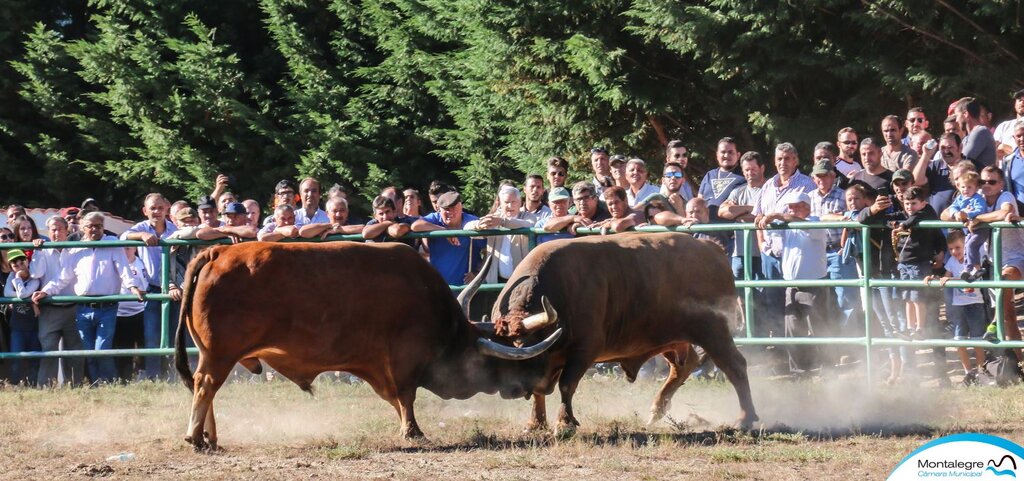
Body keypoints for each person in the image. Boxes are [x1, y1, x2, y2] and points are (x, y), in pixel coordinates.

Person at [31, 212, 146, 384]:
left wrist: (132, 286)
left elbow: (123, 268)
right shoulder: (76, 248)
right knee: (87, 351)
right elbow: (64, 276)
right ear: (83, 228)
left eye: (98, 226)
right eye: (90, 226)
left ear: (103, 227)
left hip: (106, 306)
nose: (94, 229)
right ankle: (95, 383)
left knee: (102, 349)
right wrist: (46, 291)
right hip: (83, 307)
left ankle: (110, 383)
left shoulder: (112, 244)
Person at [761, 192, 830, 374]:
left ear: (807, 207)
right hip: (792, 284)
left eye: (796, 206)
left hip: (814, 284)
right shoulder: (788, 226)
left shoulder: (815, 222)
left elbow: (804, 226)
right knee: (792, 328)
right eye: (790, 206)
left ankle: (826, 366)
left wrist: (775, 216)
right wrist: (763, 220)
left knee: (818, 327)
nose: (791, 210)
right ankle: (799, 369)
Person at [753, 143, 817, 337]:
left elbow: (812, 216)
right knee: (773, 301)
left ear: (795, 160)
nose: (783, 162)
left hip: (796, 253)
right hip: (771, 253)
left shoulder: (807, 184)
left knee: (799, 303)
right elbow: (758, 216)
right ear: (774, 161)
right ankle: (782, 349)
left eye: (787, 158)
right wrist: (762, 244)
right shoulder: (767, 186)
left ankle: (805, 350)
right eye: (779, 158)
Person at [120, 193, 177, 380]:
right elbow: (123, 237)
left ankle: (174, 375)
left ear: (166, 209)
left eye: (160, 208)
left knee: (174, 334)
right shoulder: (141, 228)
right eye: (153, 208)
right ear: (145, 211)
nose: (157, 212)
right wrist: (142, 235)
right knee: (151, 335)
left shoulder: (174, 229)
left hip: (174, 289)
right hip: (152, 288)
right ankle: (154, 377)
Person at [27, 217, 85, 386]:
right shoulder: (43, 250)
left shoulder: (75, 250)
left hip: (73, 307)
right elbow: (35, 274)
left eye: (60, 229)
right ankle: (45, 387)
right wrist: (37, 250)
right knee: (48, 350)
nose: (56, 233)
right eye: (52, 229)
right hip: (49, 308)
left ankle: (76, 386)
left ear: (67, 230)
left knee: (75, 351)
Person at [924, 230, 987, 385]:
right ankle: (968, 373)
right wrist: (935, 278)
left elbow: (976, 277)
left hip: (975, 305)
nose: (954, 252)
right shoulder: (951, 262)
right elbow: (946, 277)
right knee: (959, 342)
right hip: (958, 306)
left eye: (958, 247)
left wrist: (956, 280)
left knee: (977, 341)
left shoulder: (973, 260)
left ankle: (981, 372)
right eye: (951, 249)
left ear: (966, 245)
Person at [809, 160, 858, 334]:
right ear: (813, 179)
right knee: (820, 298)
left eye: (825, 175)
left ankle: (849, 342)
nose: (821, 179)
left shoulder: (843, 195)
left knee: (845, 298)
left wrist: (844, 245)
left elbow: (851, 217)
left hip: (838, 250)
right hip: (817, 252)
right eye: (818, 176)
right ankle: (828, 342)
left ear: (833, 176)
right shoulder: (809, 197)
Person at [892, 186, 945, 339]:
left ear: (923, 203)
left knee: (918, 297)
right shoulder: (907, 214)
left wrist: (903, 225)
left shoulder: (926, 212)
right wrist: (896, 224)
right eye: (907, 203)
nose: (910, 207)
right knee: (908, 298)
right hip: (905, 261)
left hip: (919, 262)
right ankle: (910, 328)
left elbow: (918, 217)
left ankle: (920, 328)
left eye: (914, 203)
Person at [411, 191, 485, 286]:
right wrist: (444, 232)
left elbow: (489, 251)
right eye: (446, 209)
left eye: (453, 207)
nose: (450, 212)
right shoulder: (435, 219)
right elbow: (415, 226)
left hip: (466, 288)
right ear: (439, 209)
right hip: (439, 287)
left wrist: (478, 273)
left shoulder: (472, 223)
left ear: (460, 206)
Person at [470, 186, 535, 283]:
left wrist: (503, 222)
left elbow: (528, 224)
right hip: (495, 281)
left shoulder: (528, 217)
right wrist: (478, 225)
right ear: (500, 203)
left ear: (520, 203)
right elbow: (467, 228)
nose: (510, 206)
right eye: (506, 202)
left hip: (521, 281)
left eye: (514, 202)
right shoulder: (494, 218)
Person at [4, 249, 41, 385]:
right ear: (11, 268)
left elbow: (24, 293)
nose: (19, 267)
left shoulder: (35, 278)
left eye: (21, 262)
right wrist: (30, 300)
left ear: (27, 261)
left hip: (33, 326)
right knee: (16, 359)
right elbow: (8, 293)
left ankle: (34, 385)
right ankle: (14, 386)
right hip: (17, 327)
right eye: (15, 265)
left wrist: (19, 283)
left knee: (34, 359)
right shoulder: (12, 276)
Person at [943, 171, 988, 281]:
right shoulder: (960, 198)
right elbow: (953, 207)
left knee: (972, 245)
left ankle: (976, 268)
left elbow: (980, 210)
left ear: (976, 188)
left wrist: (967, 214)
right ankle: (968, 269)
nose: (965, 190)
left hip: (980, 229)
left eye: (969, 187)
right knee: (967, 246)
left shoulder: (978, 199)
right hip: (968, 230)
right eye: (963, 187)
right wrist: (956, 213)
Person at [113, 246, 147, 382]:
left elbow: (145, 286)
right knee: (123, 346)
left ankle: (143, 374)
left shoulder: (140, 263)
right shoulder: (115, 263)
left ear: (135, 249)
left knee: (142, 344)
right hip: (119, 312)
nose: (124, 251)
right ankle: (123, 378)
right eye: (121, 248)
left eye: (128, 248)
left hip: (139, 311)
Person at [698, 137, 745, 221]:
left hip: (729, 230)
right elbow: (699, 201)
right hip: (704, 229)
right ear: (717, 155)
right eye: (723, 152)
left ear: (738, 155)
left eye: (730, 152)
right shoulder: (709, 175)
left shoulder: (744, 176)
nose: (726, 155)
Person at [298, 197, 365, 240]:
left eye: (342, 210)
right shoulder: (322, 228)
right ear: (327, 213)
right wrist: (331, 225)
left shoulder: (353, 224)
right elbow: (303, 232)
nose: (338, 214)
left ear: (347, 212)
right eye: (334, 211)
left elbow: (365, 229)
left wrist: (340, 229)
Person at [957, 98, 996, 168]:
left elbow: (963, 160)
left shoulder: (981, 132)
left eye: (957, 116)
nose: (956, 120)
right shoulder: (967, 137)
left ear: (966, 114)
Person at [994, 89, 1024, 158]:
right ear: (1015, 104)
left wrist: (1003, 147)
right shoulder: (1003, 126)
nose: (1022, 102)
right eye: (1020, 100)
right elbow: (993, 150)